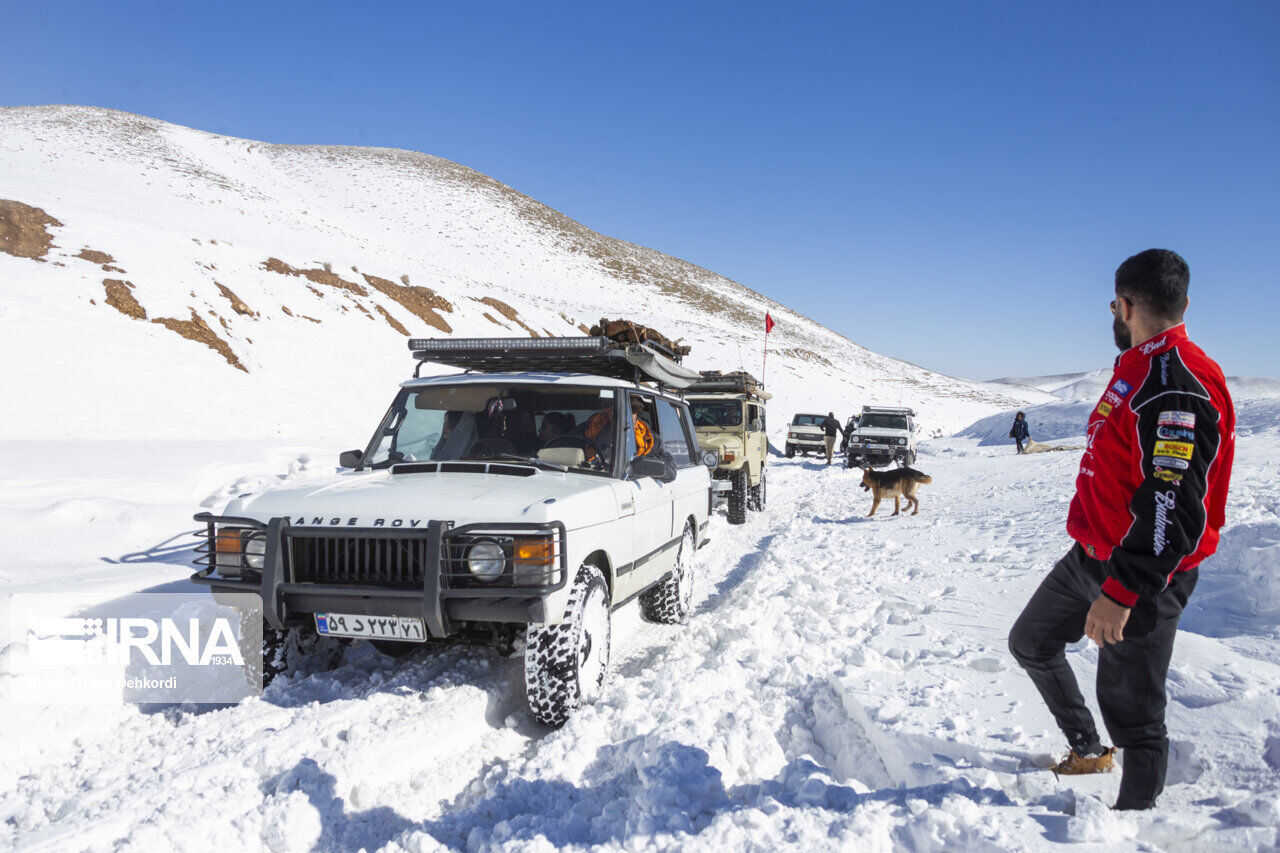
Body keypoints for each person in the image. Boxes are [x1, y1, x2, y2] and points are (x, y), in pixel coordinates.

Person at [1008, 249, 1235, 811]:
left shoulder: (1175, 382)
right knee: (1032, 642)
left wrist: (1122, 591)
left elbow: (1173, 506)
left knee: (1133, 713)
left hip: (1141, 574)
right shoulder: (1137, 365)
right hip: (1091, 555)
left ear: (1126, 306)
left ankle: (1136, 821)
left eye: (1113, 304)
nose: (1113, 313)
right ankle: (1088, 751)